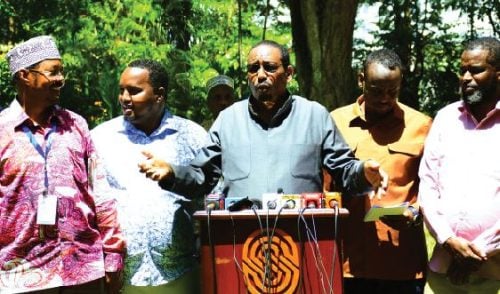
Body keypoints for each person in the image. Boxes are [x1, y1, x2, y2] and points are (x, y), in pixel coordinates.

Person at [137, 40, 388, 206]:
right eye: (253, 68)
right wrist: (172, 172)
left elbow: (344, 171)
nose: (260, 76)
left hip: (302, 239)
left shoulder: (314, 116)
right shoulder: (228, 120)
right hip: (242, 243)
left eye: (269, 68)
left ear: (288, 74)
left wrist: (364, 173)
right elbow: (202, 176)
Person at [0, 35, 124, 293]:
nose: (60, 80)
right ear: (25, 76)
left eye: (62, 72)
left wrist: (112, 255)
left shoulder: (76, 125)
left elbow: (100, 192)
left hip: (82, 270)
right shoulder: (2, 131)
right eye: (52, 72)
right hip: (21, 272)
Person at [91, 59, 207, 293]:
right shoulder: (100, 138)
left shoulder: (193, 136)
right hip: (122, 274)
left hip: (180, 270)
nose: (124, 97)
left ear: (159, 95)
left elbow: (213, 196)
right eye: (121, 90)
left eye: (134, 91)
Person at [328, 49, 431, 294]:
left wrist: (415, 213)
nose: (385, 98)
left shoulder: (421, 126)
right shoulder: (335, 121)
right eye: (376, 90)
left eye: (392, 91)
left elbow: (434, 187)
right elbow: (324, 185)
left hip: (401, 264)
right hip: (347, 261)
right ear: (361, 80)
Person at [419, 36, 500, 293]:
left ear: (498, 74)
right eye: (462, 70)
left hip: (494, 272)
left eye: (476, 70)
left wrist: (477, 253)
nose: (466, 77)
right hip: (444, 271)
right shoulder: (445, 119)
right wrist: (449, 241)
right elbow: (428, 187)